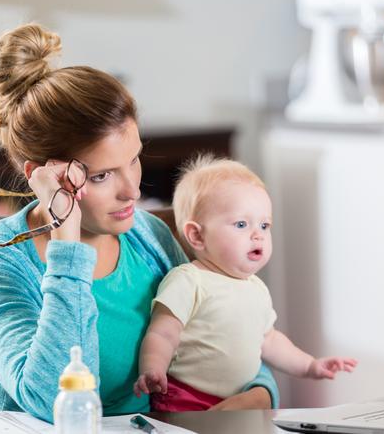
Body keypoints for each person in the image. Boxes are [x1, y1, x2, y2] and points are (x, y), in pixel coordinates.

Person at [0, 23, 280, 422]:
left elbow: (228, 344)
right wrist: (67, 245)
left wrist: (259, 394)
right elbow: (53, 399)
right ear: (45, 176)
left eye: (133, 160)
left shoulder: (151, 238)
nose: (133, 191)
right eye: (102, 176)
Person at [134, 156, 357, 411]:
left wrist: (310, 366)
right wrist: (153, 368)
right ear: (197, 235)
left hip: (240, 401)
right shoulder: (188, 279)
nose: (257, 234)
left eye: (264, 225)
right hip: (186, 400)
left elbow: (270, 341)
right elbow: (163, 333)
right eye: (241, 224)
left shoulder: (256, 288)